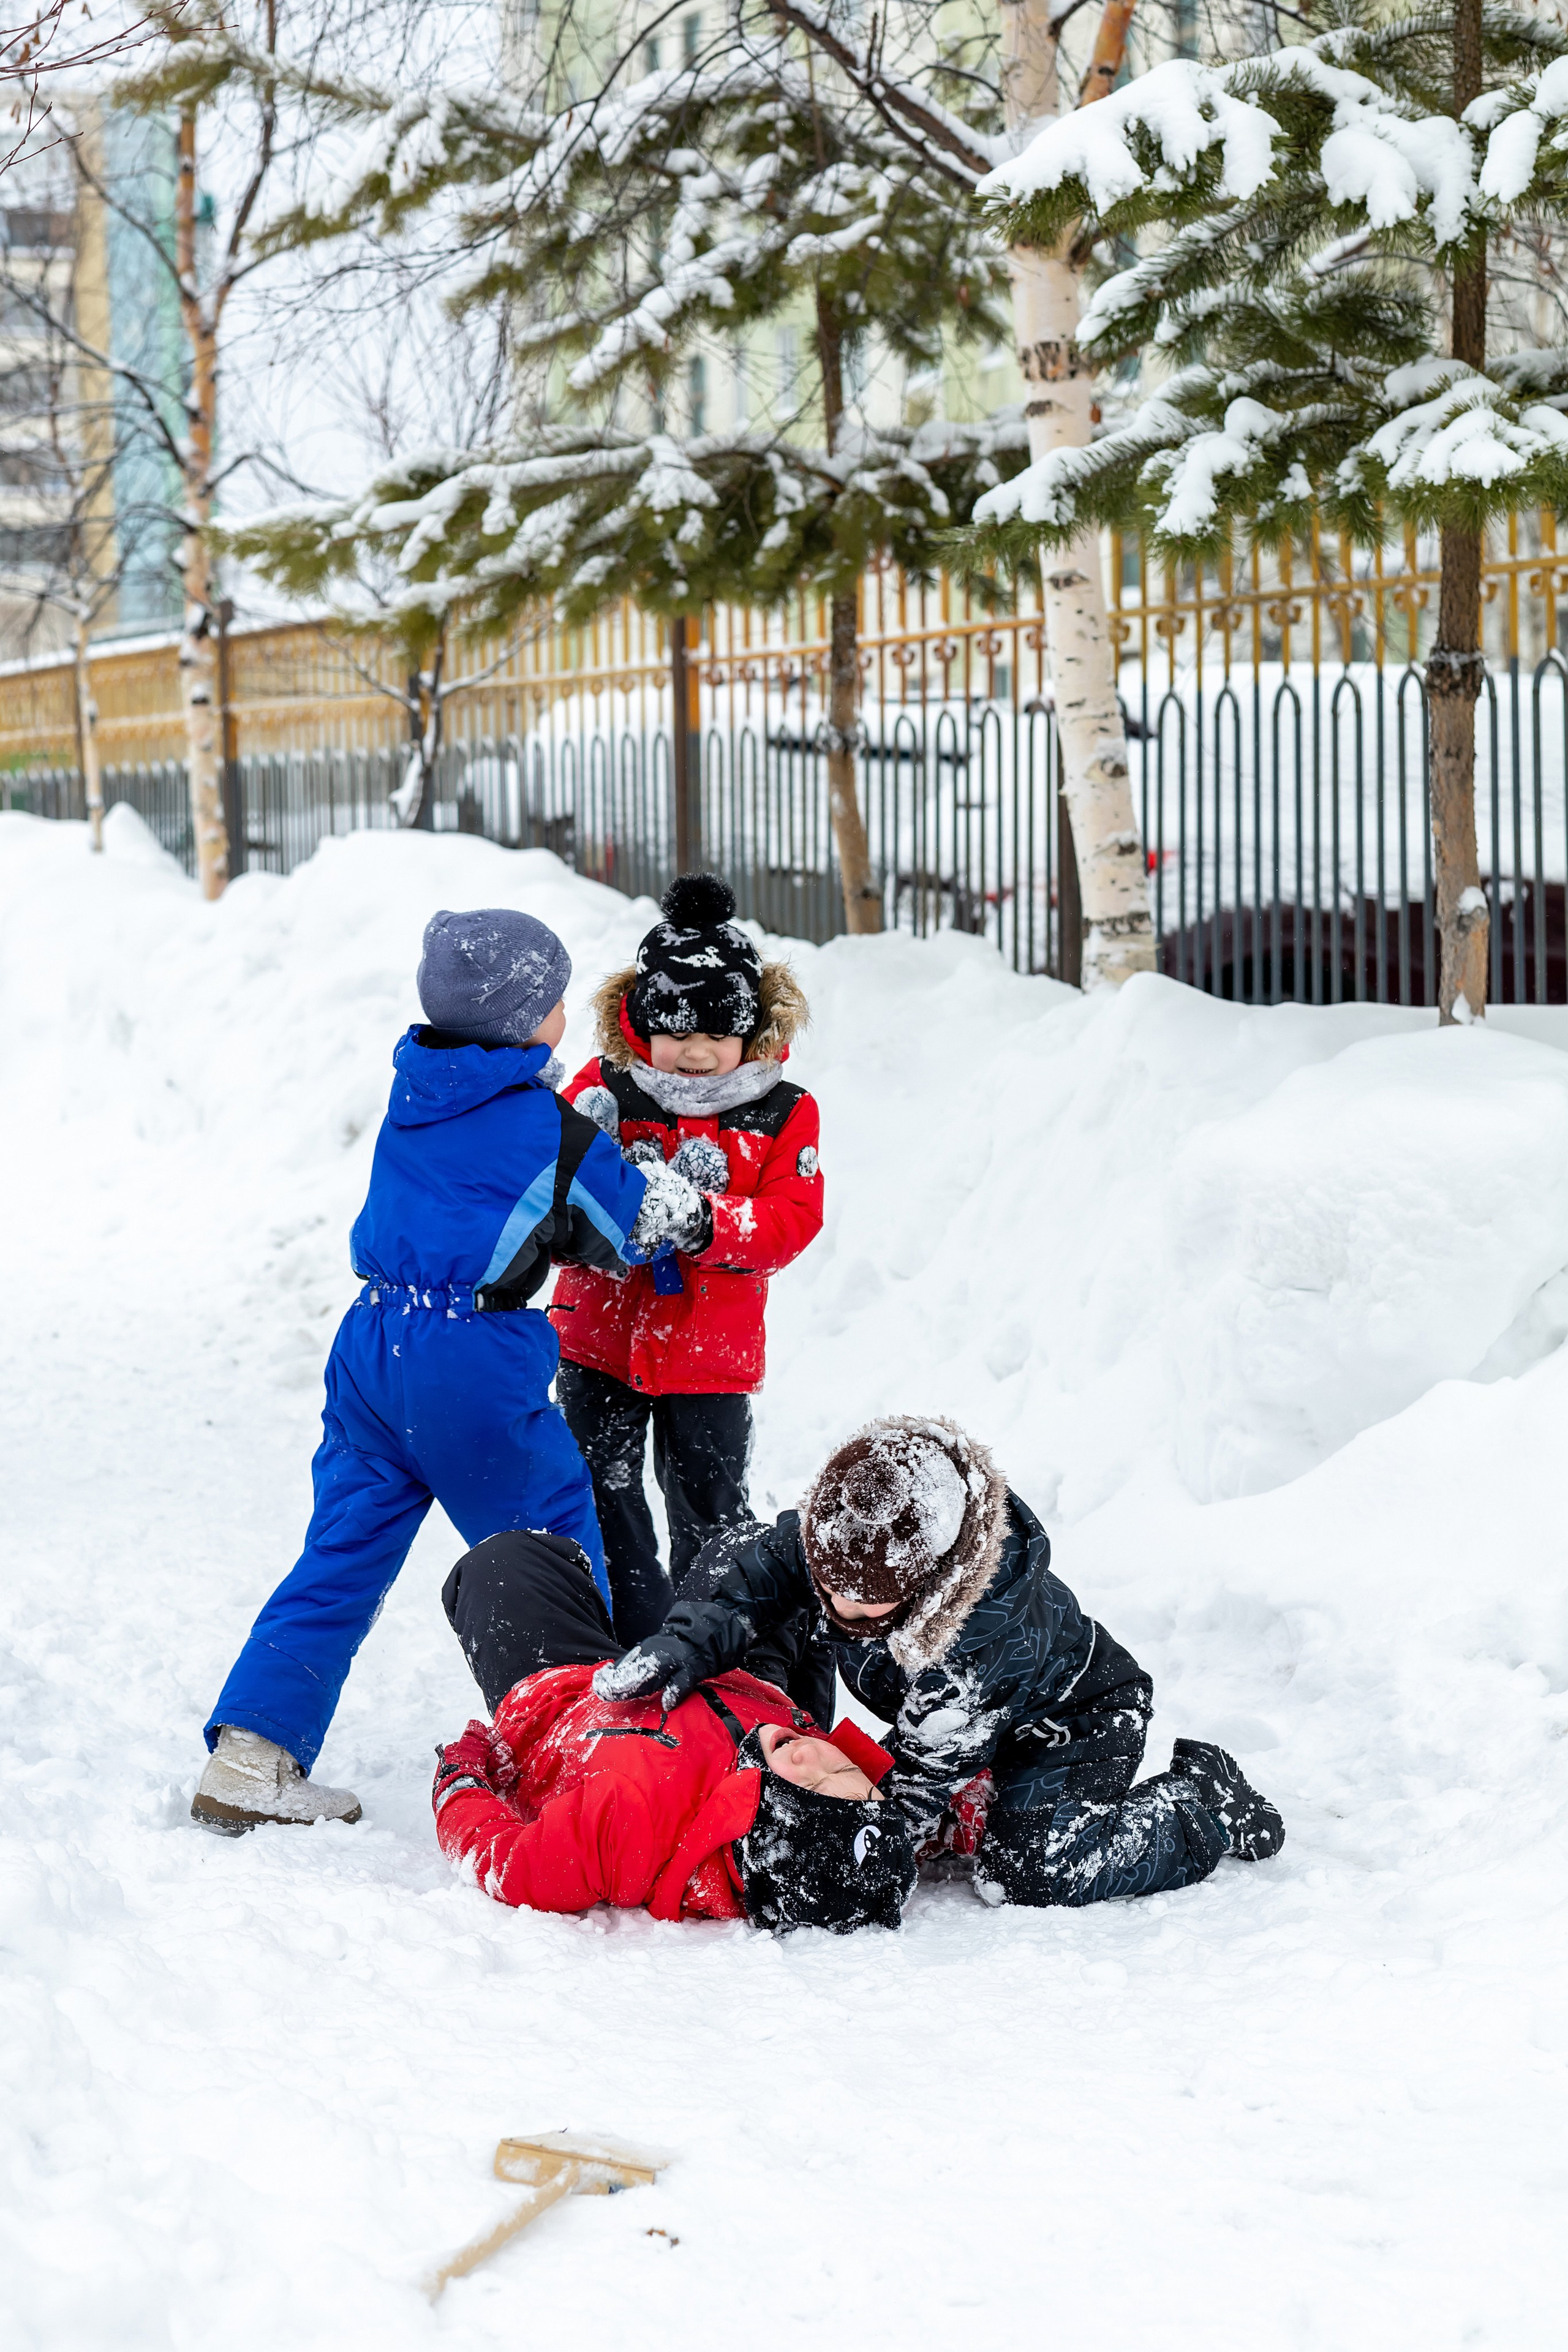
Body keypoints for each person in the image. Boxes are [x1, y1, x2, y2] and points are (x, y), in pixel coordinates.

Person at [192, 906, 710, 1837]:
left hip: (371, 1347)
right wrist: (669, 1185)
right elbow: (632, 1228)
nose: (564, 1012)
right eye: (556, 999)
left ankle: (250, 1758)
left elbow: (478, 1194)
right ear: (527, 1019)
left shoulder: (418, 1091)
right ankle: (589, 1762)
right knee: (553, 1553)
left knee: (342, 1554)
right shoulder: (547, 1127)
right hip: (469, 1362)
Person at [596, 1415, 1286, 1909]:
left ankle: (1205, 1804)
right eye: (828, 1586)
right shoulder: (849, 1538)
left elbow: (913, 1792)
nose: (838, 1609)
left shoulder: (979, 1646)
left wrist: (835, 1847)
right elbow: (761, 1569)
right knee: (739, 1558)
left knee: (1030, 1870)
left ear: (931, 1586)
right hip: (943, 1718)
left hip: (1070, 1723)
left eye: (865, 1603)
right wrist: (685, 1644)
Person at [549, 872, 824, 1645]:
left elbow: (790, 1220)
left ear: (753, 1028)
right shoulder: (604, 1089)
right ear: (639, 1021)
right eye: (674, 1032)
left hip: (709, 1352)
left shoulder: (781, 1111)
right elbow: (549, 1184)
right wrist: (594, 1199)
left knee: (709, 1508)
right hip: (598, 1337)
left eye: (716, 1033)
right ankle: (626, 1640)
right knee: (598, 1493)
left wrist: (704, 1220)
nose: (695, 1054)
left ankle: (708, 1647)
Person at [432, 1526, 917, 1932]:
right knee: (757, 1554)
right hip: (735, 1682)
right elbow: (937, 1789)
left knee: (499, 1563)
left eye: (809, 1787)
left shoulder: (630, 1825)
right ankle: (672, 1630)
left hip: (570, 1696)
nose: (816, 1757)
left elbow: (505, 1864)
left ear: (761, 1838)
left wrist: (462, 1777)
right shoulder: (805, 1758)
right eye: (846, 1770)